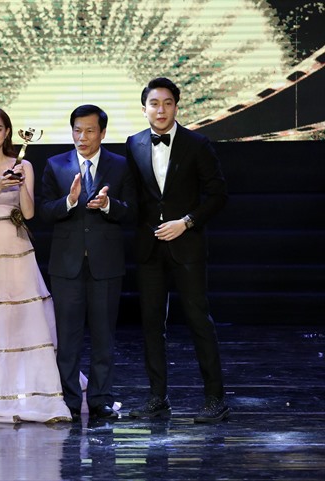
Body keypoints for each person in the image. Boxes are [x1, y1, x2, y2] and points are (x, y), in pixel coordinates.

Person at [0, 107, 72, 423]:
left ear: (8, 132)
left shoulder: (24, 165)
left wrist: (19, 185)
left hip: (17, 249)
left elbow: (30, 213)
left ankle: (35, 394)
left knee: (25, 320)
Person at [125, 77, 230, 423]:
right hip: (148, 248)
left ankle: (215, 399)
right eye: (154, 103)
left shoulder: (197, 144)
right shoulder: (134, 144)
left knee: (199, 320)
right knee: (152, 324)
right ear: (144, 109)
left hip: (187, 245)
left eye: (167, 103)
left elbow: (218, 195)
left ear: (176, 106)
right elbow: (134, 197)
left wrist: (186, 222)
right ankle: (158, 398)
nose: (160, 109)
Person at [39, 104, 136, 421]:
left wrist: (109, 205)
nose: (82, 137)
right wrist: (69, 200)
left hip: (106, 264)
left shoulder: (120, 165)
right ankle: (67, 400)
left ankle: (100, 399)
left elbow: (131, 211)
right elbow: (44, 211)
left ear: (103, 133)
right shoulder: (55, 165)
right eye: (77, 130)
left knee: (103, 335)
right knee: (66, 338)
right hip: (66, 265)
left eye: (90, 130)